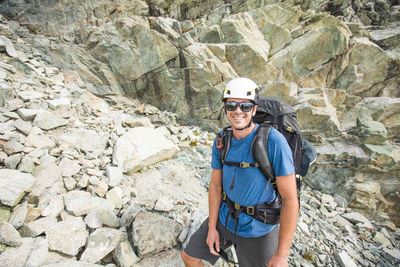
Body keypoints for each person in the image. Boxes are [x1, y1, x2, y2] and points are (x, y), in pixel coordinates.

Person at [181, 77, 299, 267]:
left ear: (254, 109)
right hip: (225, 218)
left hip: (258, 228)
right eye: (231, 106)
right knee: (190, 257)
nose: (237, 111)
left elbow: (291, 199)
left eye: (244, 106)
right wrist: (212, 227)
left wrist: (282, 255)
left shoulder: (273, 141)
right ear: (225, 109)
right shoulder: (222, 140)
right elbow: (216, 185)